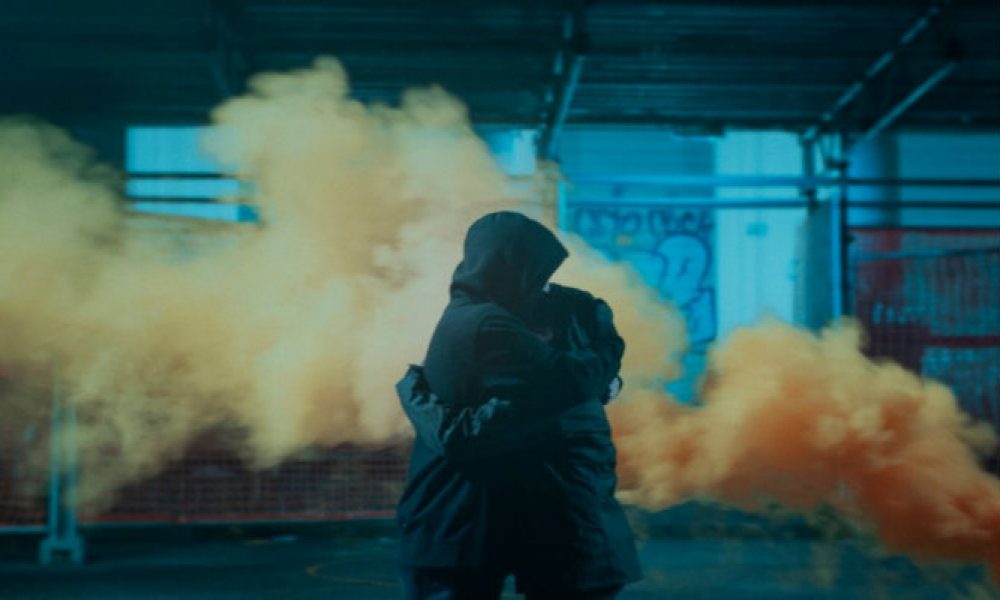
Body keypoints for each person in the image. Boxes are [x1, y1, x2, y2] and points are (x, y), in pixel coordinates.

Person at [396, 211, 640, 599]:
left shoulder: (463, 316)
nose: (544, 287)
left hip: (459, 529)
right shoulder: (487, 324)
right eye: (537, 273)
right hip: (470, 529)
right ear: (509, 268)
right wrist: (606, 356)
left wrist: (414, 390)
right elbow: (569, 382)